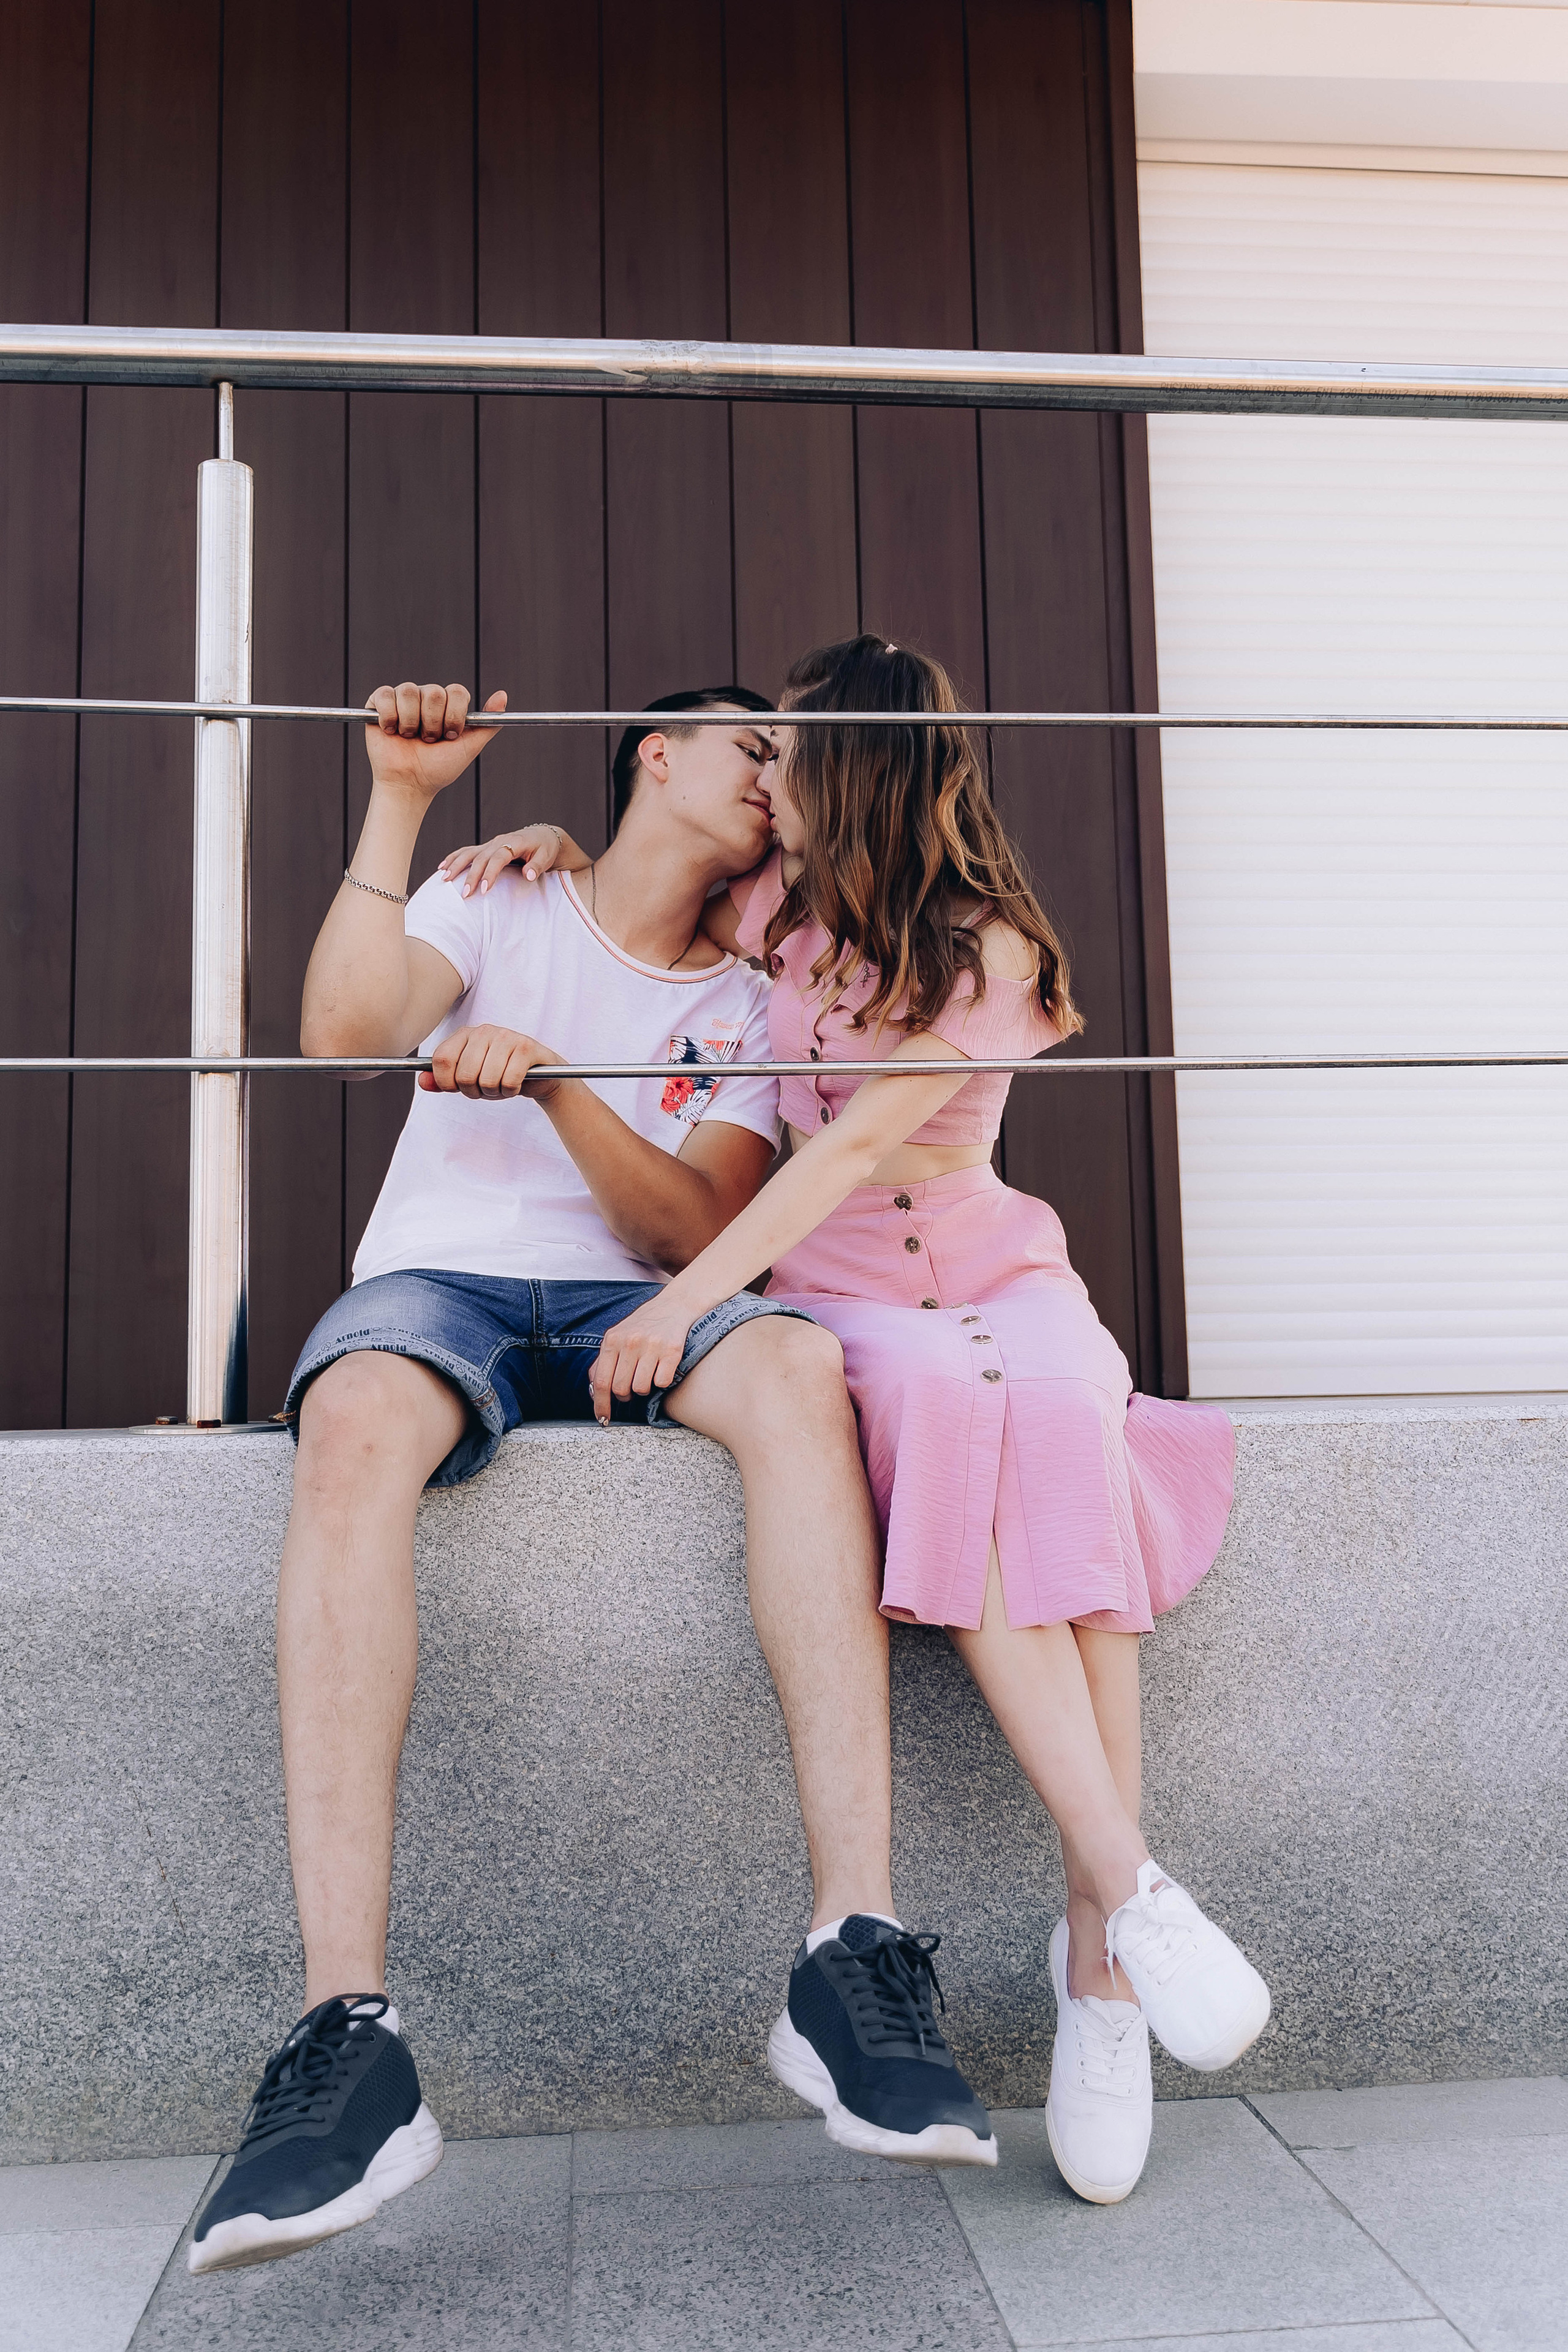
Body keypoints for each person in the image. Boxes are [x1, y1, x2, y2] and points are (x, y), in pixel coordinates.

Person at [187, 677, 997, 2279]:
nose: (780, 774)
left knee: (795, 1364)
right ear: (659, 755)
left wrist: (558, 1081)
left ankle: (853, 1946)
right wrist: (405, 795)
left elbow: (691, 1239)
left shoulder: (758, 996)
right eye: (751, 746)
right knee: (351, 1415)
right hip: (443, 1281)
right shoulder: (500, 894)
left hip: (637, 1308)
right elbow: (339, 1030)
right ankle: (344, 2036)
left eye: (797, 757)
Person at [447, 635, 1270, 2211]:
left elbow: (842, 1156)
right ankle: (1129, 1896)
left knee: (1064, 1408)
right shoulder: (770, 918)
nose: (764, 778)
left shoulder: (993, 952)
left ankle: (1105, 1958)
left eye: (789, 755)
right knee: (947, 1416)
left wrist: (680, 1300)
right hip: (858, 1309)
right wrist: (548, 853)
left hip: (994, 1270)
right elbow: (639, 896)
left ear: (856, 769)